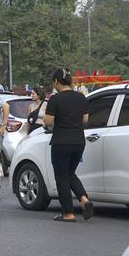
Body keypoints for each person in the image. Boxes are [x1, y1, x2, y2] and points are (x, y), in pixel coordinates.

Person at [44, 68, 93, 222]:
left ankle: (68, 213)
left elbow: (48, 121)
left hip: (61, 142)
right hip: (79, 141)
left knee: (61, 177)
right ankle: (84, 199)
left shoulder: (55, 99)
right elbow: (85, 120)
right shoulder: (81, 97)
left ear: (57, 81)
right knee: (70, 173)